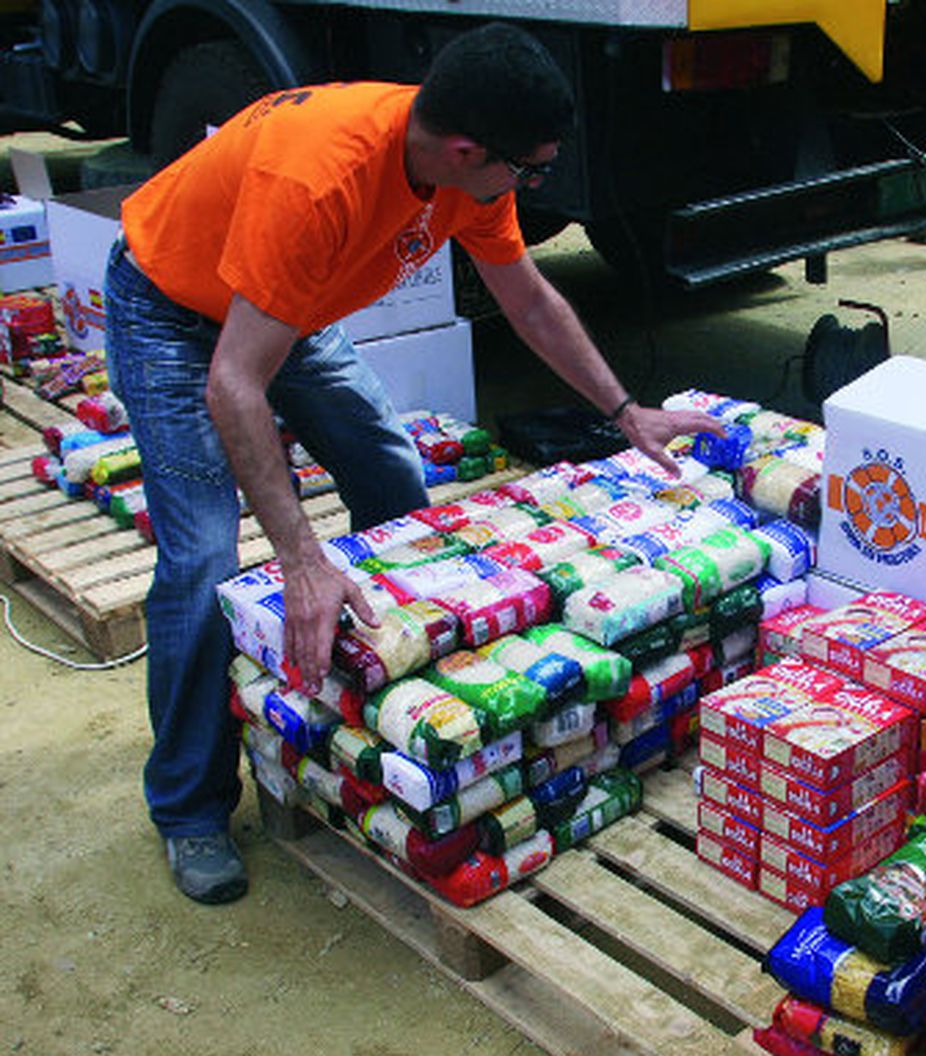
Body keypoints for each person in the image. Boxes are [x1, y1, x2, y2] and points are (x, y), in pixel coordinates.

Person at [104, 23, 721, 905]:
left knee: (394, 480)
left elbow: (530, 301)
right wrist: (302, 561)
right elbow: (235, 385)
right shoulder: (319, 179)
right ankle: (188, 806)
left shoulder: (465, 174)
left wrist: (624, 412)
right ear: (468, 149)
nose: (531, 184)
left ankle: (376, 706)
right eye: (530, 169)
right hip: (171, 306)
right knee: (201, 560)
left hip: (288, 306)